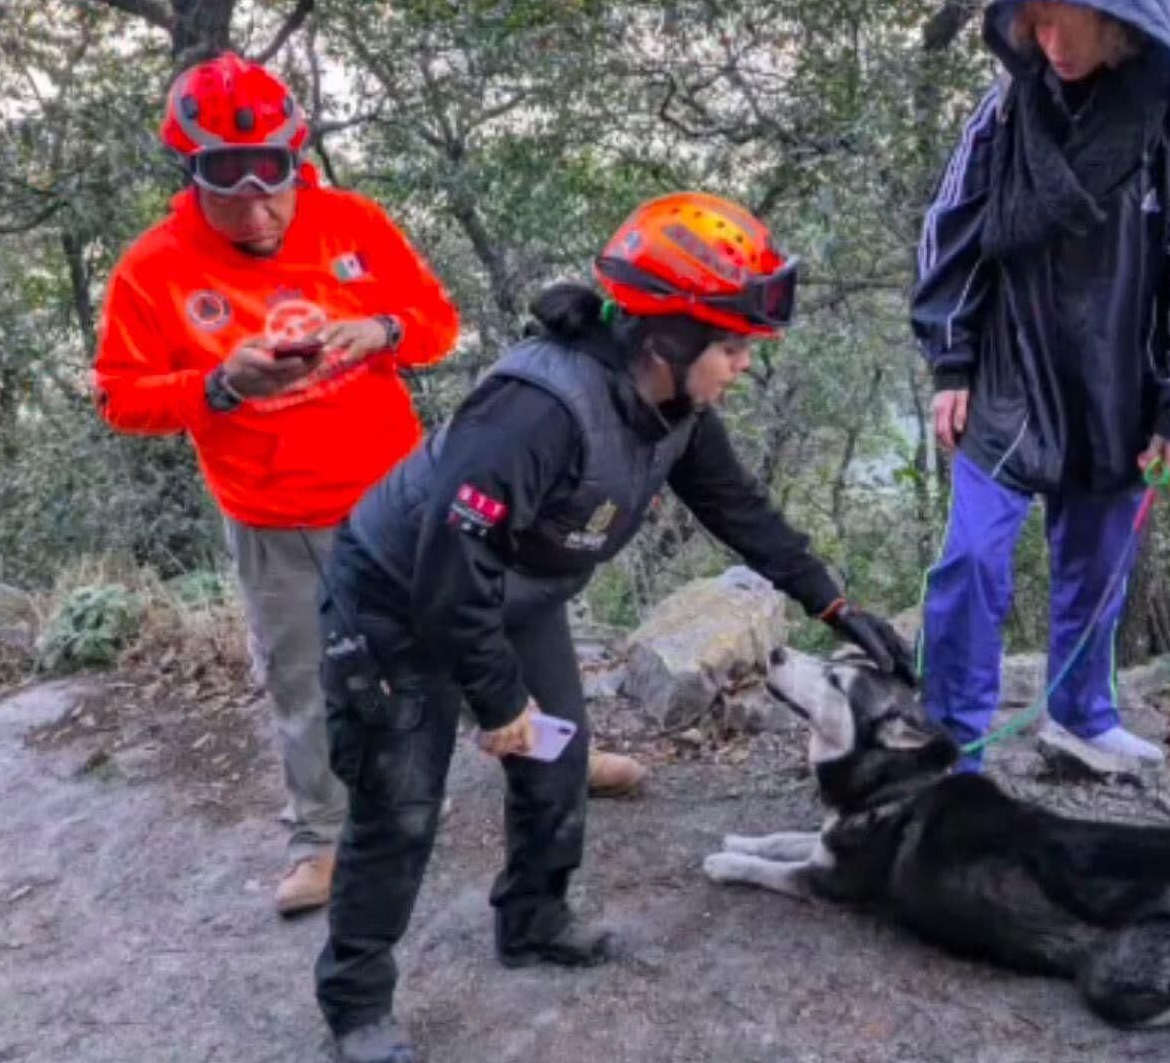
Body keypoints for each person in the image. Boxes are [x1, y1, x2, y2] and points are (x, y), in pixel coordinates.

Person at [311, 192, 916, 1063]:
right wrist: (496, 701)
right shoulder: (537, 410)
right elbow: (451, 570)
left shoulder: (673, 409)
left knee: (556, 762)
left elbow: (737, 506)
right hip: (399, 605)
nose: (744, 365)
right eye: (735, 346)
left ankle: (534, 919)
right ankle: (358, 1007)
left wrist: (834, 601)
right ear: (667, 337)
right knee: (400, 808)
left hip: (515, 594)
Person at [92, 52, 461, 916]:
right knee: (305, 680)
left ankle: (515, 764)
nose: (259, 212)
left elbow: (438, 324)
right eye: (231, 189)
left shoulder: (352, 222)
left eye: (277, 184)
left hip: (395, 493)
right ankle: (320, 840)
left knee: (444, 638)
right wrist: (220, 385)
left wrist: (381, 329)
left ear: (301, 160)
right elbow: (119, 396)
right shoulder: (154, 267)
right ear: (192, 171)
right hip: (273, 515)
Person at [914, 0, 1170, 768]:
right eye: (1031, 19)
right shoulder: (1007, 109)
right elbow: (954, 231)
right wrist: (951, 359)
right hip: (1009, 369)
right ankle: (950, 744)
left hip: (1124, 381)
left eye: (1064, 16)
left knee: (1098, 565)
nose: (1047, 39)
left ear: (1123, 19)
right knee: (971, 558)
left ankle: (1080, 719)